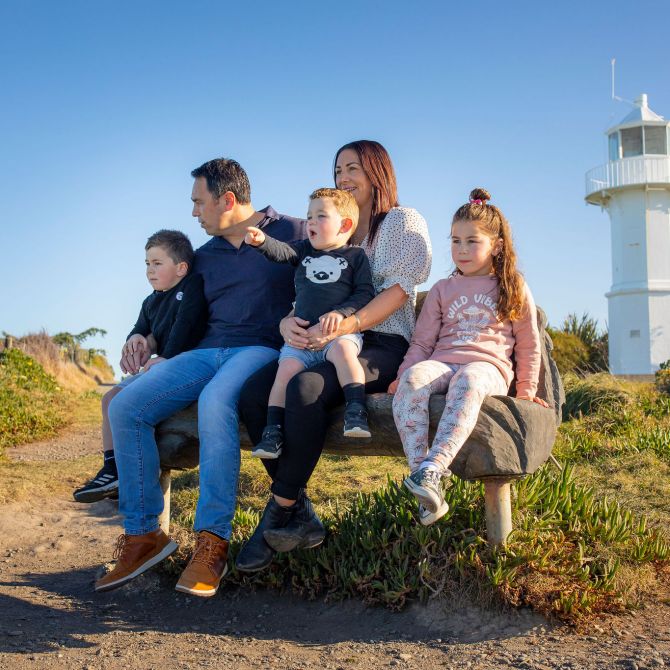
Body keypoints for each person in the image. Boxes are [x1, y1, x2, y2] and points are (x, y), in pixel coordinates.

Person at [94, 158, 304, 597]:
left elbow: (330, 275)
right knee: (126, 406)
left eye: (198, 202)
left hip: (260, 350)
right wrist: (142, 335)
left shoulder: (293, 231)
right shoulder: (202, 256)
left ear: (227, 200)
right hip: (202, 353)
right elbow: (164, 300)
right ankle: (144, 535)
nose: (194, 213)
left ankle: (212, 543)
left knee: (215, 402)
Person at [236, 140, 432, 572]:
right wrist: (288, 323)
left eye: (353, 169)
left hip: (381, 342)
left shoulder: (400, 221)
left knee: (305, 388)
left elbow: (399, 292)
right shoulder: (330, 229)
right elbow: (312, 291)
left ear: (378, 172)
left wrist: (349, 323)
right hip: (323, 340)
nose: (343, 178)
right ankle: (299, 508)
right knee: (254, 392)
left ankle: (278, 511)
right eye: (338, 170)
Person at [389, 188, 548, 526]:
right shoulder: (443, 289)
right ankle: (424, 480)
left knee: (469, 378)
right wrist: (403, 374)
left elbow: (528, 343)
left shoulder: (512, 285)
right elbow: (421, 342)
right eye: (455, 240)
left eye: (472, 241)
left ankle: (434, 468)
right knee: (415, 380)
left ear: (497, 246)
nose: (461, 249)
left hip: (488, 368)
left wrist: (526, 390)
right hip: (444, 361)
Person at [73, 230, 207, 503]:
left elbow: (186, 326)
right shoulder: (150, 301)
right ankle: (112, 469)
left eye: (158, 263)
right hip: (158, 368)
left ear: (181, 268)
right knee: (110, 398)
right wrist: (133, 340)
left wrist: (166, 356)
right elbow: (139, 328)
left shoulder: (191, 286)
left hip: (184, 367)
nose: (149, 270)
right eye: (147, 264)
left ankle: (134, 482)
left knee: (127, 404)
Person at [245, 187, 375, 457]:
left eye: (320, 216)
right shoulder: (304, 250)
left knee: (344, 353)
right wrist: (262, 242)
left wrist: (341, 313)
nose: (310, 222)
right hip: (301, 338)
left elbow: (364, 293)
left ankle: (356, 410)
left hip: (336, 334)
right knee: (285, 372)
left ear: (345, 225)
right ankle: (273, 432)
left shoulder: (355, 257)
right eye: (309, 216)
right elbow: (281, 252)